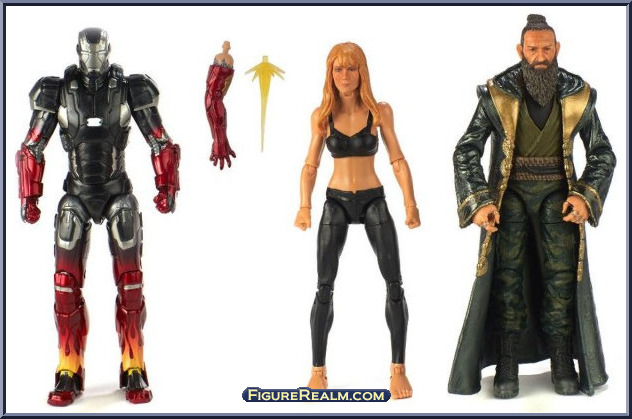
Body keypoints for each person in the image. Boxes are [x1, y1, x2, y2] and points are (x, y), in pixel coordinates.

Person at [449, 15, 615, 398]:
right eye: (533, 49)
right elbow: (466, 150)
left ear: (557, 49)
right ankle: (506, 361)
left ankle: (562, 359)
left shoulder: (577, 94)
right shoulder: (497, 94)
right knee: (506, 276)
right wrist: (479, 201)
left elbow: (602, 152)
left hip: (558, 197)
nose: (540, 56)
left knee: (561, 277)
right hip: (510, 198)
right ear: (520, 50)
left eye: (546, 48)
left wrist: (584, 195)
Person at [16, 28, 180, 406]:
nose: (93, 57)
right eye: (88, 50)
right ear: (78, 50)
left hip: (117, 193)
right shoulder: (56, 90)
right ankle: (68, 369)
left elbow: (159, 139)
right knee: (64, 286)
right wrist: (29, 195)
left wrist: (167, 185)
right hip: (76, 195)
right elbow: (33, 145)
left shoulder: (131, 88)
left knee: (131, 284)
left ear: (107, 50)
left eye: (99, 50)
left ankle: (134, 364)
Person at [294, 42, 420, 399]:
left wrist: (410, 203)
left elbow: (397, 159)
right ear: (330, 73)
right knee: (324, 286)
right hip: (335, 201)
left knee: (394, 283)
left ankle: (398, 370)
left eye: (351, 68)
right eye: (338, 69)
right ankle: (317, 371)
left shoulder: (379, 112)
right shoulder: (322, 116)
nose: (345, 76)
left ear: (362, 71)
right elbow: (310, 165)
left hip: (372, 199)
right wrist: (304, 206)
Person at [205, 40, 236, 169]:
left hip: (210, 97)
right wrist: (220, 95)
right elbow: (226, 83)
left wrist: (217, 96)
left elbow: (211, 81)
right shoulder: (229, 60)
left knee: (218, 122)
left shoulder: (219, 57)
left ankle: (220, 148)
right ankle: (220, 149)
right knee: (218, 123)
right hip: (213, 97)